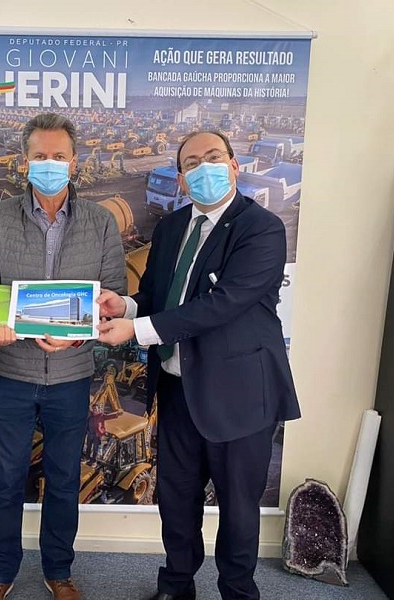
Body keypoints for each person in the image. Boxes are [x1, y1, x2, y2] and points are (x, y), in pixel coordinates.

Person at [97, 130, 300, 600]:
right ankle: (176, 585)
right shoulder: (172, 227)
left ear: (233, 165)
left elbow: (223, 305)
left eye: (213, 157)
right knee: (176, 498)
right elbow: (159, 295)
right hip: (178, 389)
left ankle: (237, 590)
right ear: (182, 179)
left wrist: (138, 329)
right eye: (191, 163)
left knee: (238, 507)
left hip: (239, 394)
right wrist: (125, 306)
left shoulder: (261, 228)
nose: (203, 168)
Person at [0, 112, 127, 600]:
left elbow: (113, 298)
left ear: (74, 161)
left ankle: (59, 571)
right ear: (25, 161)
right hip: (12, 373)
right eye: (40, 155)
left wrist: (78, 338)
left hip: (71, 375)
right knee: (6, 479)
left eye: (58, 156)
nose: (49, 163)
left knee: (63, 480)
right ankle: (0, 573)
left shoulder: (100, 222)